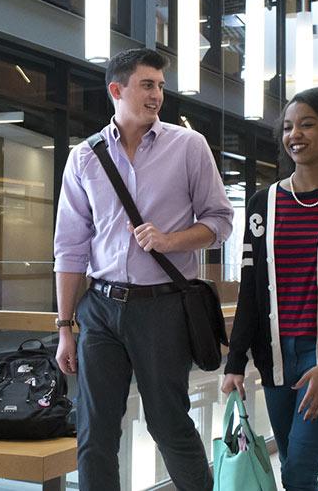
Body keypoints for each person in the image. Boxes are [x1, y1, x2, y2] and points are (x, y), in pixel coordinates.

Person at [53, 47, 233, 491]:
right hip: (101, 308)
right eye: (147, 85)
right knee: (94, 432)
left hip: (163, 308)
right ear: (117, 90)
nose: (157, 95)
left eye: (161, 86)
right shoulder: (85, 157)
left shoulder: (188, 146)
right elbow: (70, 247)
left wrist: (171, 241)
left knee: (168, 423)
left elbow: (221, 221)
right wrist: (64, 326)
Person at [221, 87, 318, 491]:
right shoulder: (262, 203)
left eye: (307, 124)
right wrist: (235, 361)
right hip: (275, 356)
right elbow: (251, 288)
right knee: (290, 463)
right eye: (288, 127)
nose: (294, 135)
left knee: (301, 469)